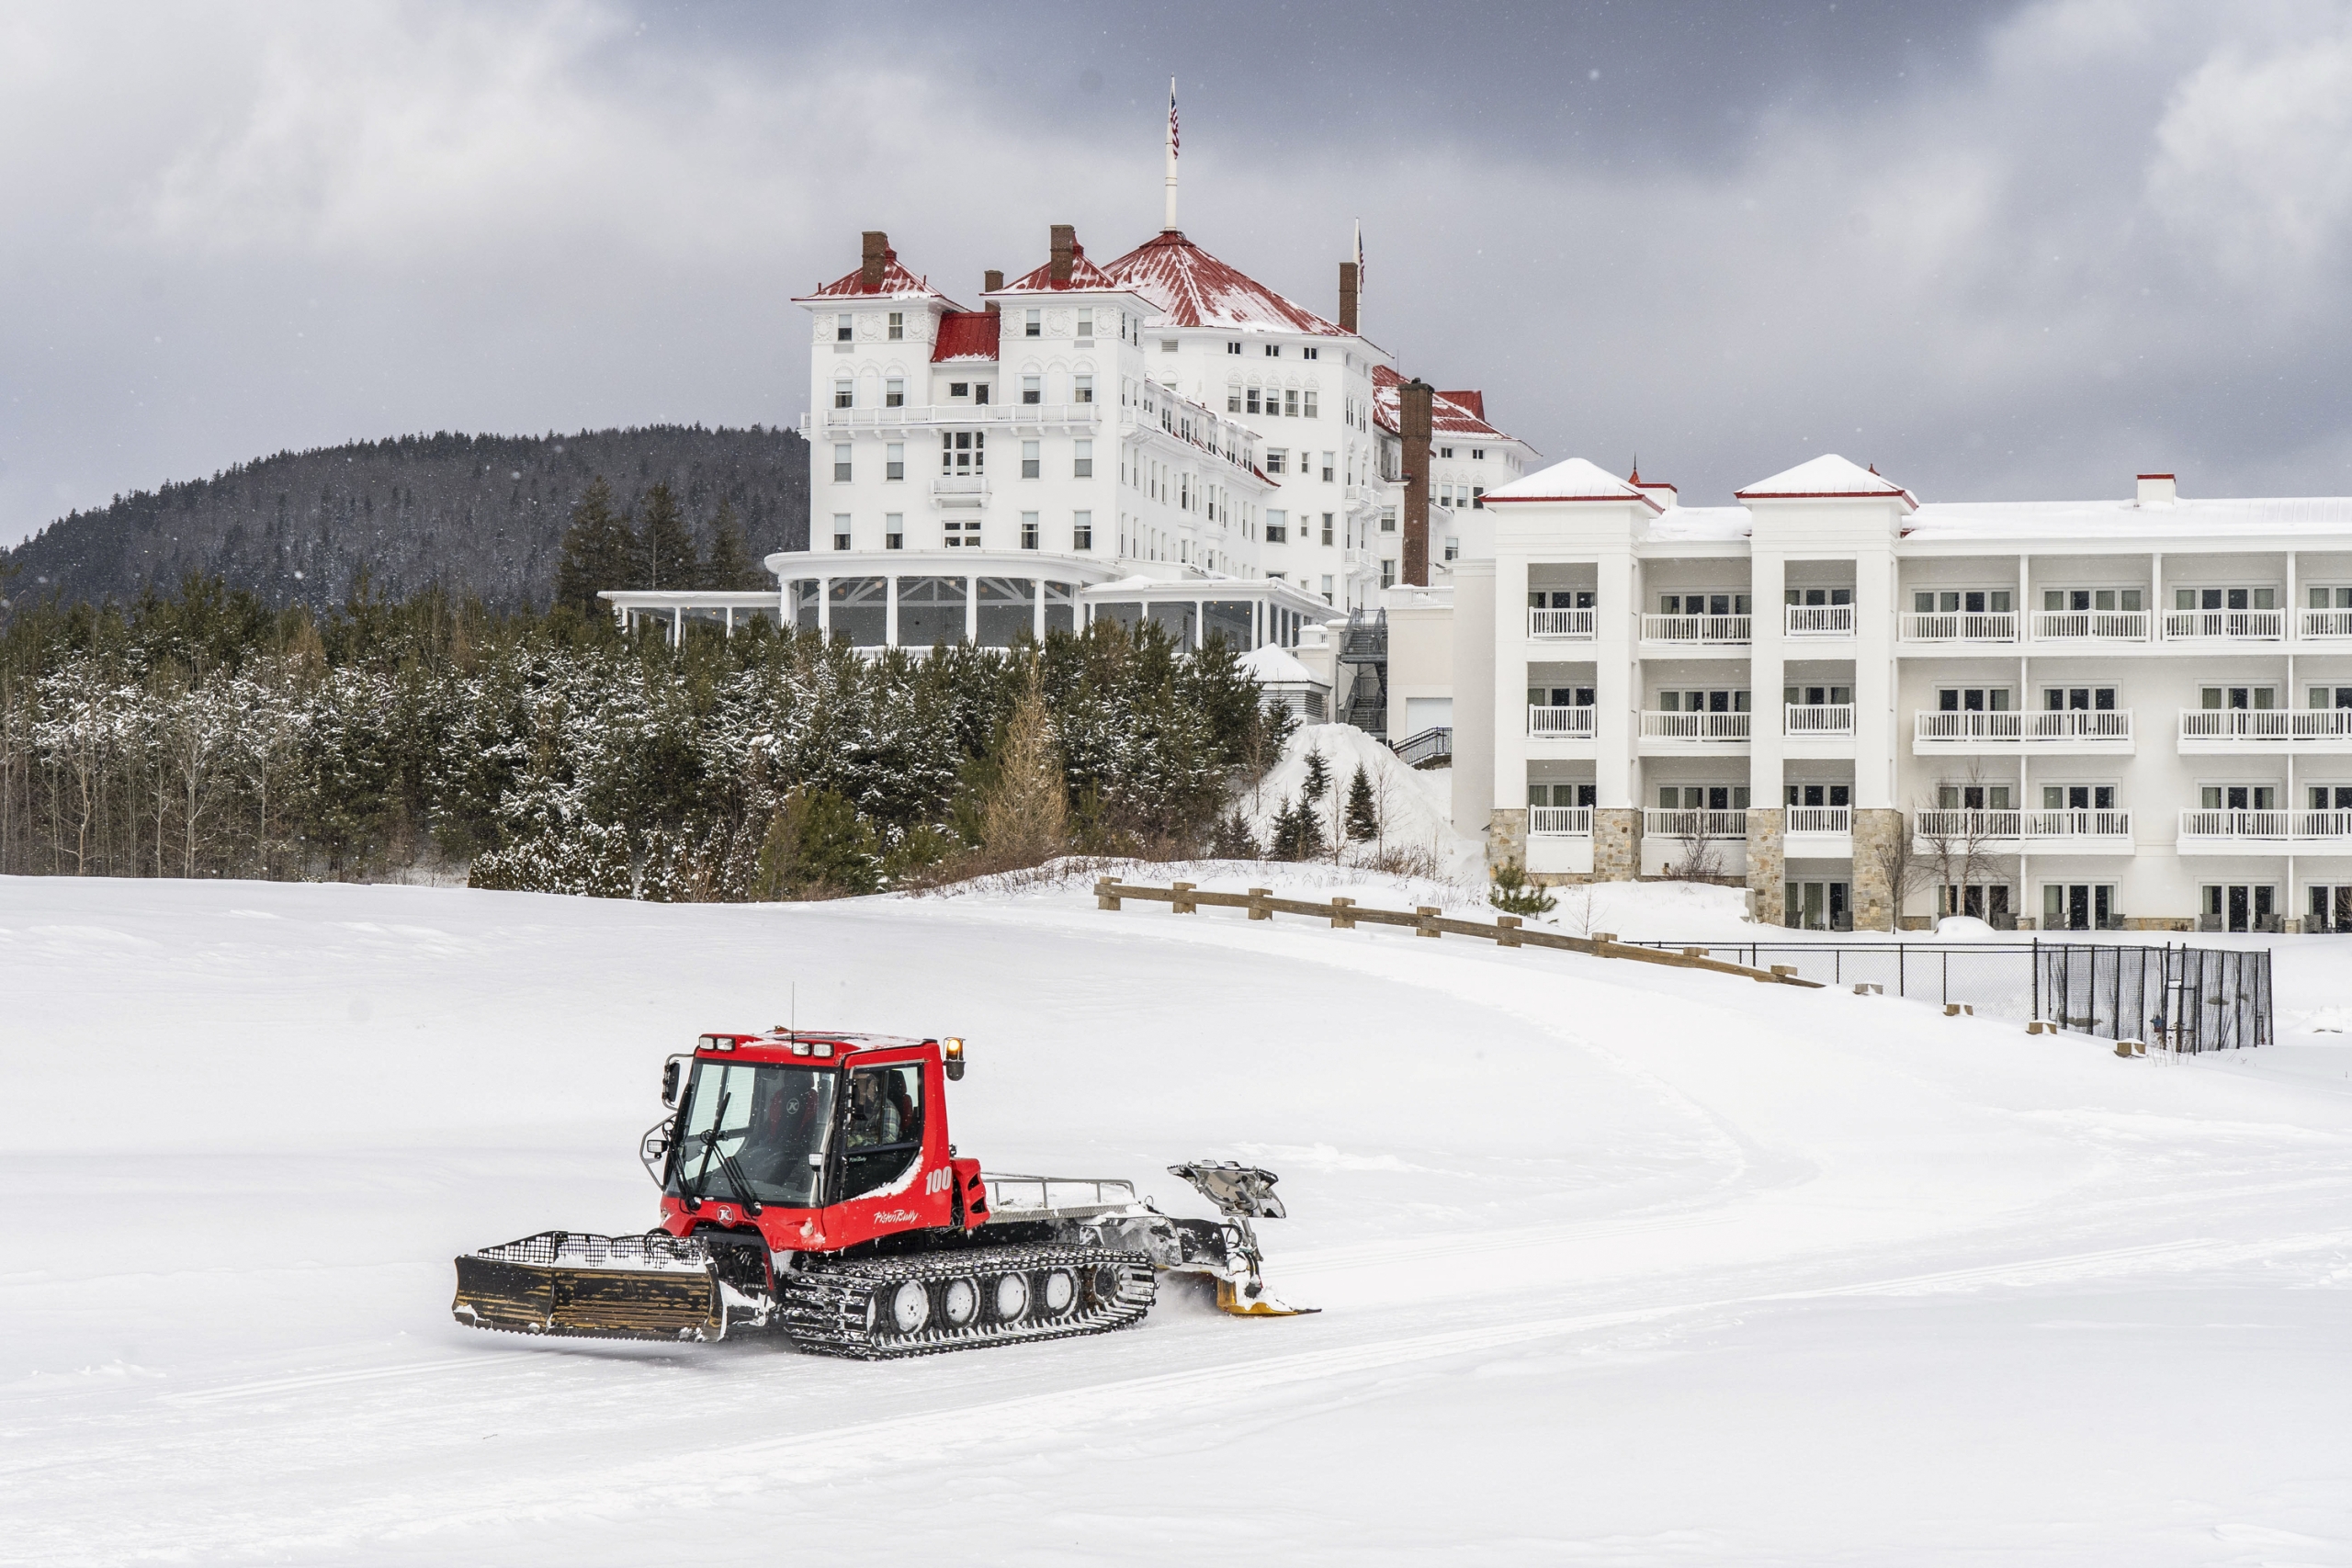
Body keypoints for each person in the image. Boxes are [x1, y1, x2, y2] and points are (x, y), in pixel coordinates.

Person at [845, 1070, 904, 1149]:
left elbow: (889, 1139)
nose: (859, 1087)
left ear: (874, 1084)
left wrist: (860, 1141)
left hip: (874, 1157)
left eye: (864, 1082)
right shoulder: (847, 1104)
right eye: (855, 1083)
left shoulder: (886, 1107)